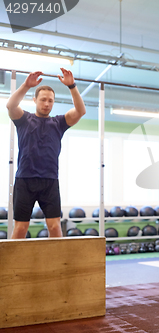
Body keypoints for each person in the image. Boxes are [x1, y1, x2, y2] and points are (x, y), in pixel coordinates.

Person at [6, 68, 86, 238]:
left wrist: (72, 86)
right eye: (43, 100)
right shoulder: (24, 119)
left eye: (50, 101)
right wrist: (26, 85)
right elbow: (10, 105)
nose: (47, 104)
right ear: (35, 100)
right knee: (20, 228)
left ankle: (56, 265)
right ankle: (11, 265)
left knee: (55, 227)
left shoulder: (58, 123)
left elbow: (80, 111)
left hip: (49, 181)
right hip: (24, 180)